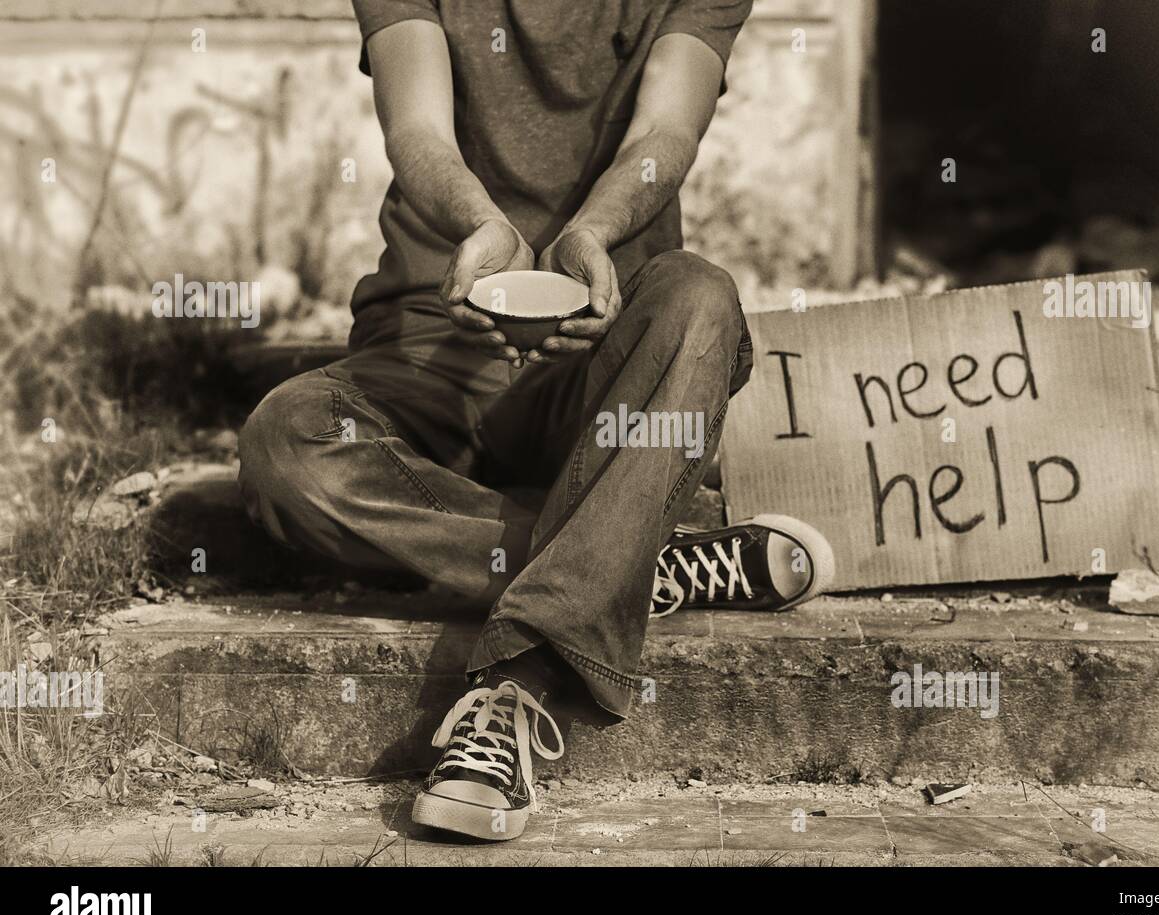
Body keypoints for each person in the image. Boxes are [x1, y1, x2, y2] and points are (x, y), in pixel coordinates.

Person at [238, 0, 832, 842]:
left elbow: (668, 132)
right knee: (285, 442)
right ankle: (626, 560)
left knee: (701, 298)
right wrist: (481, 226)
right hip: (427, 354)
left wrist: (591, 231)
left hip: (599, 356)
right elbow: (417, 134)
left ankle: (516, 676)